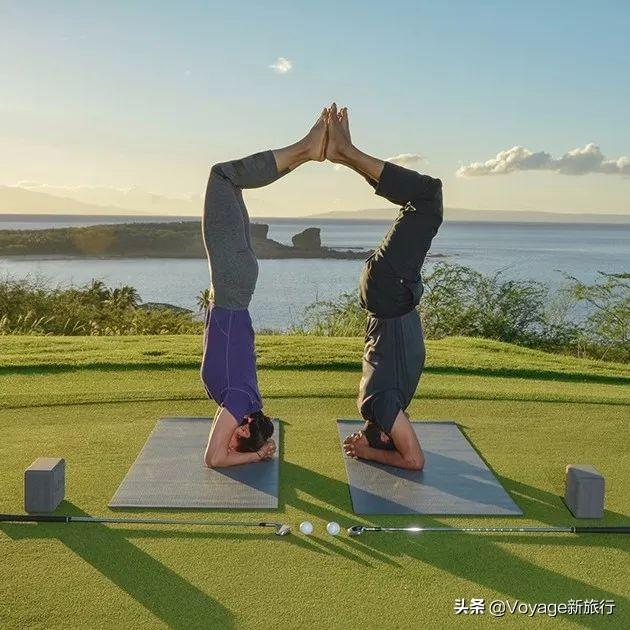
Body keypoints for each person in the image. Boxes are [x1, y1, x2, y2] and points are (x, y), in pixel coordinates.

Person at [201, 109, 328, 467]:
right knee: (222, 175)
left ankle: (307, 149)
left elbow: (221, 451)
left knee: (230, 180)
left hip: (235, 285)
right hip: (232, 284)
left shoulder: (247, 400)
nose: (224, 438)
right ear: (241, 431)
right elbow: (213, 459)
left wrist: (256, 448)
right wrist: (255, 454)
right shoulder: (239, 402)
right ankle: (306, 148)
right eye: (232, 441)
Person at [327, 104, 443, 470]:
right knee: (420, 202)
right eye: (363, 439)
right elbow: (410, 456)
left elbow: (415, 461)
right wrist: (372, 450)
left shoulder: (379, 404)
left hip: (390, 292)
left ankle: (345, 153)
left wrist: (368, 452)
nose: (356, 438)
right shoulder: (389, 405)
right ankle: (345, 155)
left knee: (427, 199)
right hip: (392, 292)